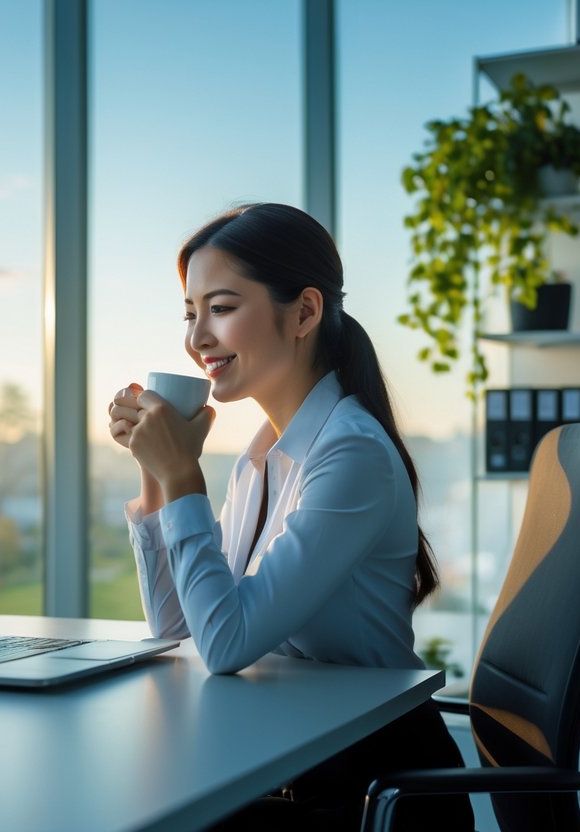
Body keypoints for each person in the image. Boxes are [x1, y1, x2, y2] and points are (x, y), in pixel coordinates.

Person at [107, 203, 473, 831]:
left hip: (374, 785)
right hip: (302, 754)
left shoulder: (350, 452)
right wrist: (154, 467)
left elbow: (225, 646)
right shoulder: (261, 457)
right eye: (191, 314)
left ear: (304, 312)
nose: (197, 340)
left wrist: (183, 475)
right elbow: (179, 627)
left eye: (220, 309)